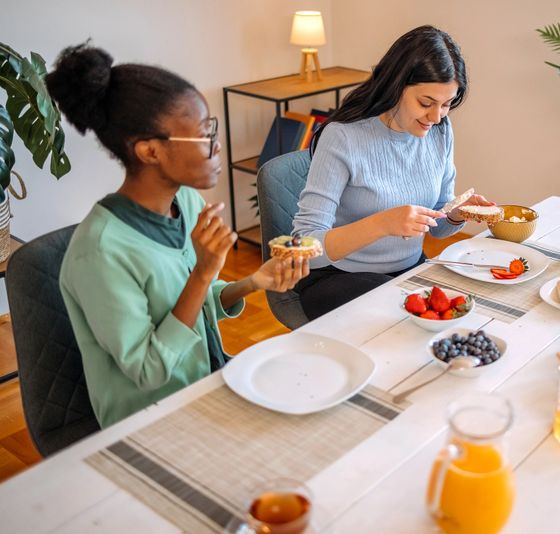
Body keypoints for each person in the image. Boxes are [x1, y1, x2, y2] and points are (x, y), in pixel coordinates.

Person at [46, 44, 309, 428]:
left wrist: (253, 281)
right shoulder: (100, 251)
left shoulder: (185, 202)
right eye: (205, 134)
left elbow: (198, 303)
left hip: (206, 384)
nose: (216, 146)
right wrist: (203, 272)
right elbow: (149, 370)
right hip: (150, 422)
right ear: (150, 151)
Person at [293, 25, 494, 320]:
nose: (436, 116)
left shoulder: (440, 131)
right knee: (409, 321)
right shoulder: (342, 137)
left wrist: (455, 213)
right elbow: (304, 246)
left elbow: (436, 227)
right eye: (426, 103)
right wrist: (383, 224)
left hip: (406, 271)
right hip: (337, 277)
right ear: (395, 85)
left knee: (469, 309)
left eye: (447, 104)